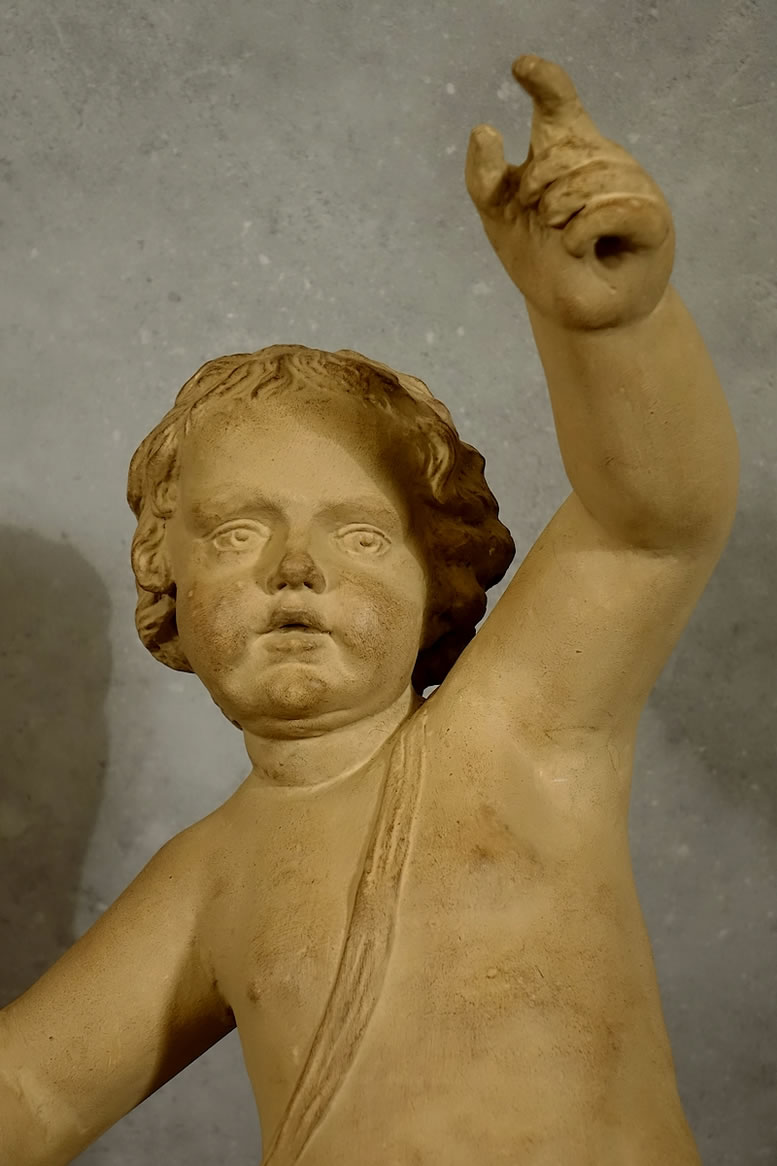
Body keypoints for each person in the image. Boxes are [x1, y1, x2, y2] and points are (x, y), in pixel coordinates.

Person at [0, 54, 739, 1165]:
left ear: (440, 572)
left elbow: (651, 523)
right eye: (237, 534)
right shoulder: (212, 876)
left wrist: (609, 325)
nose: (295, 569)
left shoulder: (521, 729)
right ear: (166, 579)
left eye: (356, 534)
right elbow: (33, 1087)